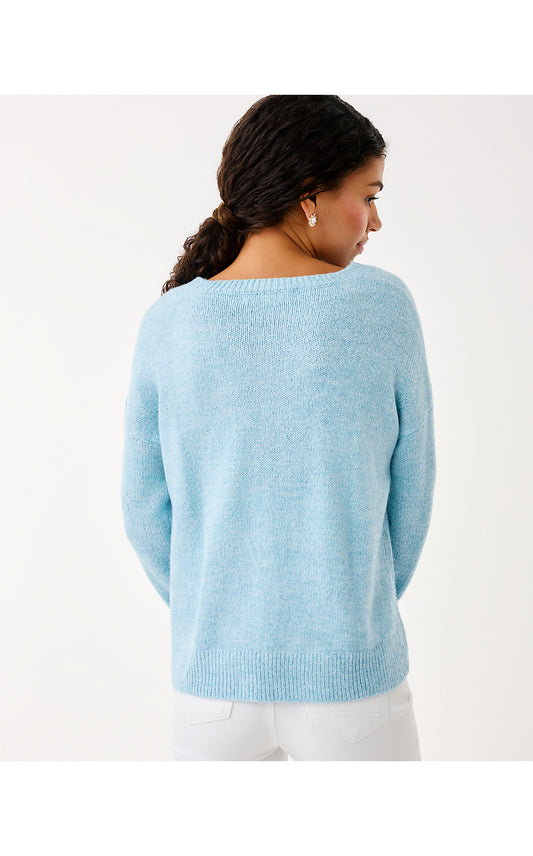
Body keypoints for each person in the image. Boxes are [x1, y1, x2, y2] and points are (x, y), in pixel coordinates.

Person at [121, 95, 436, 761]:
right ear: (309, 196)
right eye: (368, 196)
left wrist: (216, 608)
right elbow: (412, 493)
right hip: (349, 680)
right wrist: (352, 607)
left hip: (212, 693)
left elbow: (143, 510)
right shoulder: (381, 306)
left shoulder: (169, 322)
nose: (375, 220)